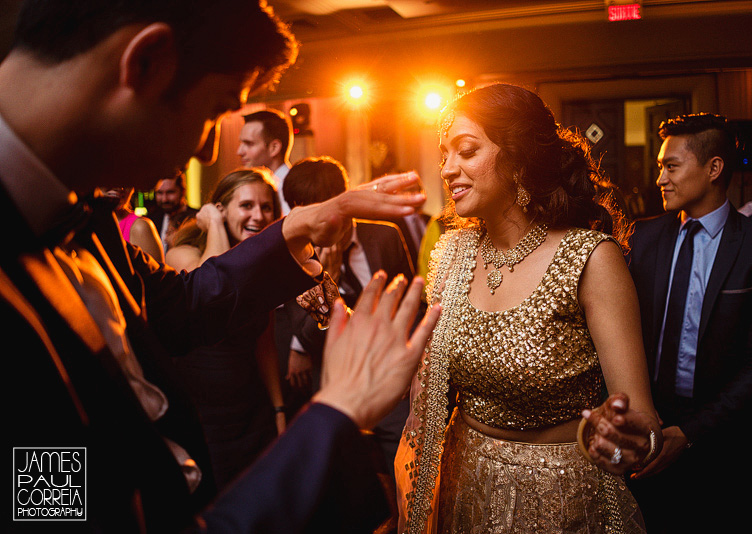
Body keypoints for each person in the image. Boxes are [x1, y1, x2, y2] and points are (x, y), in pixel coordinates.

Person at [1, 1, 436, 531]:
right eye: (215, 110)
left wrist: (308, 221)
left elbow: (179, 305)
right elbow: (61, 517)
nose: (209, 149)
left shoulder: (78, 213)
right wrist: (336, 413)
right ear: (145, 63)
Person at [396, 84, 660, 534]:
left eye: (466, 151)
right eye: (445, 155)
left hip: (563, 501)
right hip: (462, 492)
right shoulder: (451, 253)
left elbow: (643, 425)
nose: (447, 169)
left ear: (517, 158)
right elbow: (424, 381)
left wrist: (621, 440)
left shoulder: (591, 258)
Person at [626, 113, 752, 533]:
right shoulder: (641, 239)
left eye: (671, 166)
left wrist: (693, 431)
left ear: (714, 168)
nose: (660, 178)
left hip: (729, 442)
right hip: (648, 429)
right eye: (660, 167)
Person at [280, 156, 415, 483]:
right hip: (333, 384)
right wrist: (331, 279)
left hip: (392, 380)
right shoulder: (295, 257)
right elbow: (312, 337)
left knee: (407, 472)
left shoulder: (384, 236)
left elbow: (414, 304)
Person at [164, 169, 289, 488]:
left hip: (250, 412)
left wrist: (277, 408)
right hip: (201, 414)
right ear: (220, 209)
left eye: (266, 207)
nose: (258, 216)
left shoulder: (263, 266)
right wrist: (215, 226)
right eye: (246, 206)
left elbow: (265, 342)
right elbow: (212, 291)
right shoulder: (182, 254)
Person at [237, 109, 293, 215]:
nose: (239, 152)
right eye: (241, 143)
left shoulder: (290, 190)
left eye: (249, 144)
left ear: (274, 148)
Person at [102, 186, 165, 262]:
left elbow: (156, 272)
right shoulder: (86, 223)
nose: (120, 187)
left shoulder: (139, 227)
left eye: (127, 178)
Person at [150, 172, 199, 251]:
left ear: (183, 191)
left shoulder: (196, 218)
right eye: (159, 193)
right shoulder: (151, 220)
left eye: (170, 192)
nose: (164, 199)